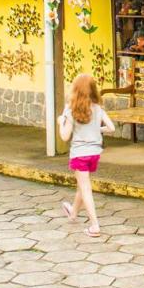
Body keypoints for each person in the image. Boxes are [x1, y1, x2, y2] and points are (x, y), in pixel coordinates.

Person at [58, 73, 115, 238]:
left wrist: (60, 121)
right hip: (94, 154)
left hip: (79, 154)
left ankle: (95, 226)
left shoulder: (71, 110)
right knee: (81, 185)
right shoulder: (97, 108)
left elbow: (64, 136)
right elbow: (111, 128)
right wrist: (97, 130)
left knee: (85, 188)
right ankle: (73, 213)